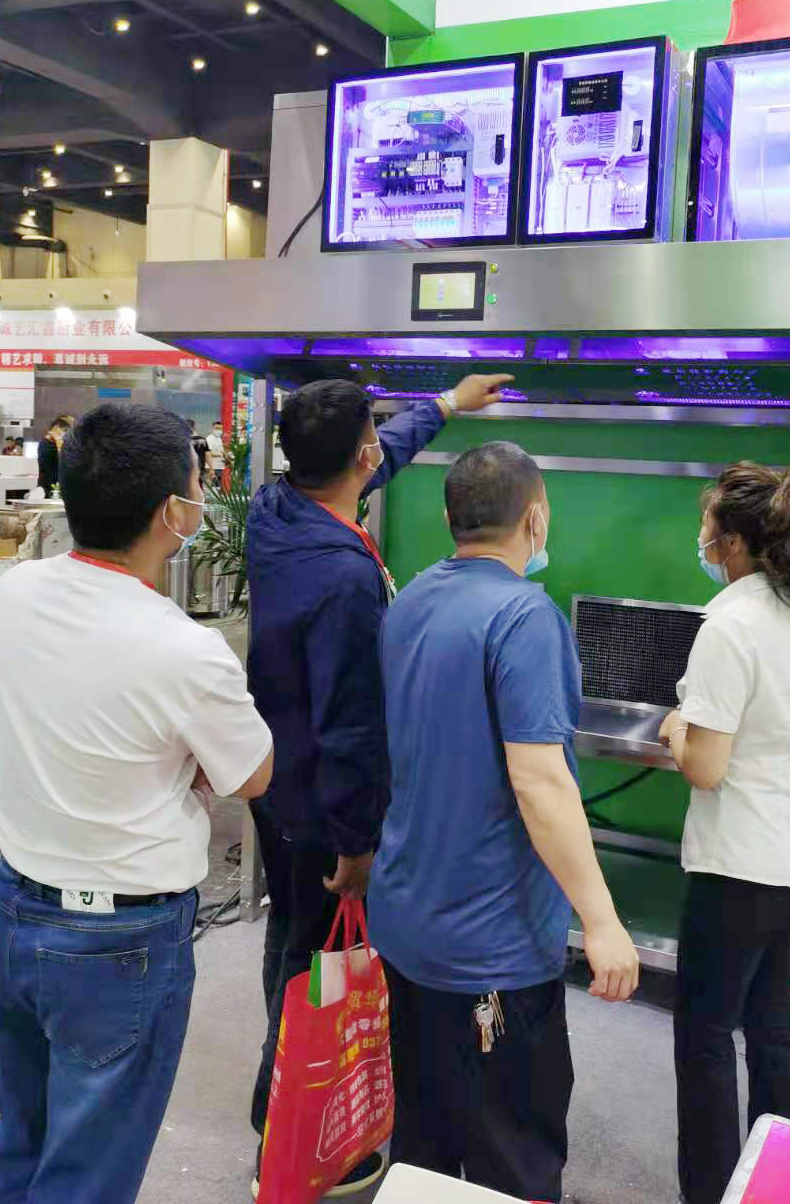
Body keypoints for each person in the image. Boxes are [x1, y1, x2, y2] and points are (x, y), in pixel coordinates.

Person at [0, 404, 274, 1204]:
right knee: (88, 1174)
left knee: (23, 1138)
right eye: (196, 483)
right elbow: (253, 776)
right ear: (173, 512)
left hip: (7, 913)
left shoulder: (17, 591)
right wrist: (184, 762)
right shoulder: (186, 649)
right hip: (115, 944)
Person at [246, 372, 511, 1196]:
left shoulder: (275, 511)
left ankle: (276, 1103)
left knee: (292, 939)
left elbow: (376, 456)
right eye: (372, 437)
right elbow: (352, 727)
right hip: (323, 804)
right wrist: (358, 846)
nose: (379, 449)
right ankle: (294, 1132)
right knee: (316, 963)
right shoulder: (346, 579)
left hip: (276, 782)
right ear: (357, 459)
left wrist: (448, 405)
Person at [368, 441, 640, 1202]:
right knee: (512, 1153)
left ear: (450, 516)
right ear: (536, 519)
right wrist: (602, 920)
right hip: (490, 944)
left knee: (424, 1136)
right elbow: (541, 781)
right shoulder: (525, 617)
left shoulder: (412, 599)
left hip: (408, 919)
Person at [658, 462, 790, 1204]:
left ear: (735, 541)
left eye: (708, 526)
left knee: (706, 1035)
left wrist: (677, 728)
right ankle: (777, 1184)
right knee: (773, 1030)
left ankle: (709, 1192)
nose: (703, 539)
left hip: (739, 867)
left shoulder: (729, 625)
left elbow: (705, 769)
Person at [36, 416, 70, 495]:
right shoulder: (47, 444)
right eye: (66, 430)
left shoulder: (50, 443)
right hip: (51, 488)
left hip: (55, 487)